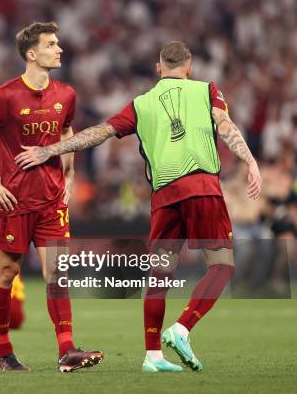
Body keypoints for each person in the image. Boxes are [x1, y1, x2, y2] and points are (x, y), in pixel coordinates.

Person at [15, 41, 262, 372]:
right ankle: (182, 327)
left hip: (163, 196)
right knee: (222, 265)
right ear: (189, 69)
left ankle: (152, 356)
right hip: (202, 187)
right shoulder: (208, 91)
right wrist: (250, 160)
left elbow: (98, 133)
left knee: (159, 275)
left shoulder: (140, 104)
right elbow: (226, 127)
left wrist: (50, 151)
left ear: (158, 69)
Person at [0, 21, 103, 372]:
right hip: (14, 202)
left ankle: (66, 350)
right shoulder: (5, 96)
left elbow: (67, 130)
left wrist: (68, 174)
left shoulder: (66, 94)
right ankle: (4, 352)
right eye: (52, 44)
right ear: (32, 54)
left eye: (58, 43)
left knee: (58, 274)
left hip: (52, 202)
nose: (60, 49)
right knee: (6, 274)